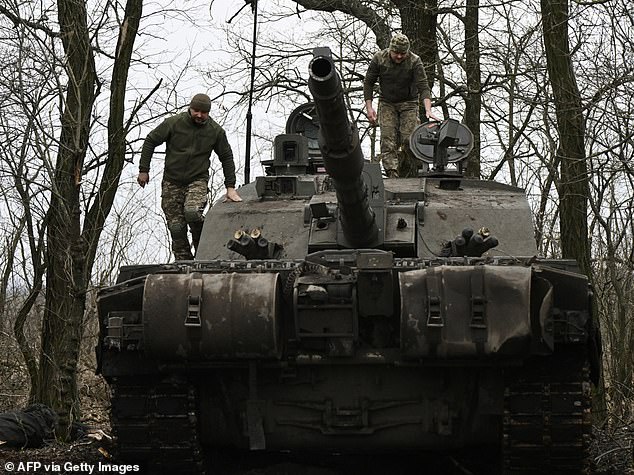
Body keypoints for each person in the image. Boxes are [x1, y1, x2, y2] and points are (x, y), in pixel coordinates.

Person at [137, 93, 242, 260]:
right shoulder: (174, 123)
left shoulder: (215, 131)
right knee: (176, 227)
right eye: (196, 111)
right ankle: (183, 260)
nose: (199, 115)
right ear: (190, 109)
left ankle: (203, 250)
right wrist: (144, 170)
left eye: (204, 112)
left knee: (192, 213)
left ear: (208, 113)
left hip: (197, 180)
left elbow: (226, 157)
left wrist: (230, 187)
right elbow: (150, 140)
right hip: (172, 181)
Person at [363, 33, 440, 178]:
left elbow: (423, 87)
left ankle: (419, 168)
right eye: (396, 53)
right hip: (387, 102)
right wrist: (369, 107)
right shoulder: (379, 59)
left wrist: (428, 109)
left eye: (402, 53)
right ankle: (392, 172)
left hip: (409, 103)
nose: (399, 56)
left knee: (409, 138)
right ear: (390, 50)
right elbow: (368, 82)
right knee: (388, 138)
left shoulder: (414, 61)